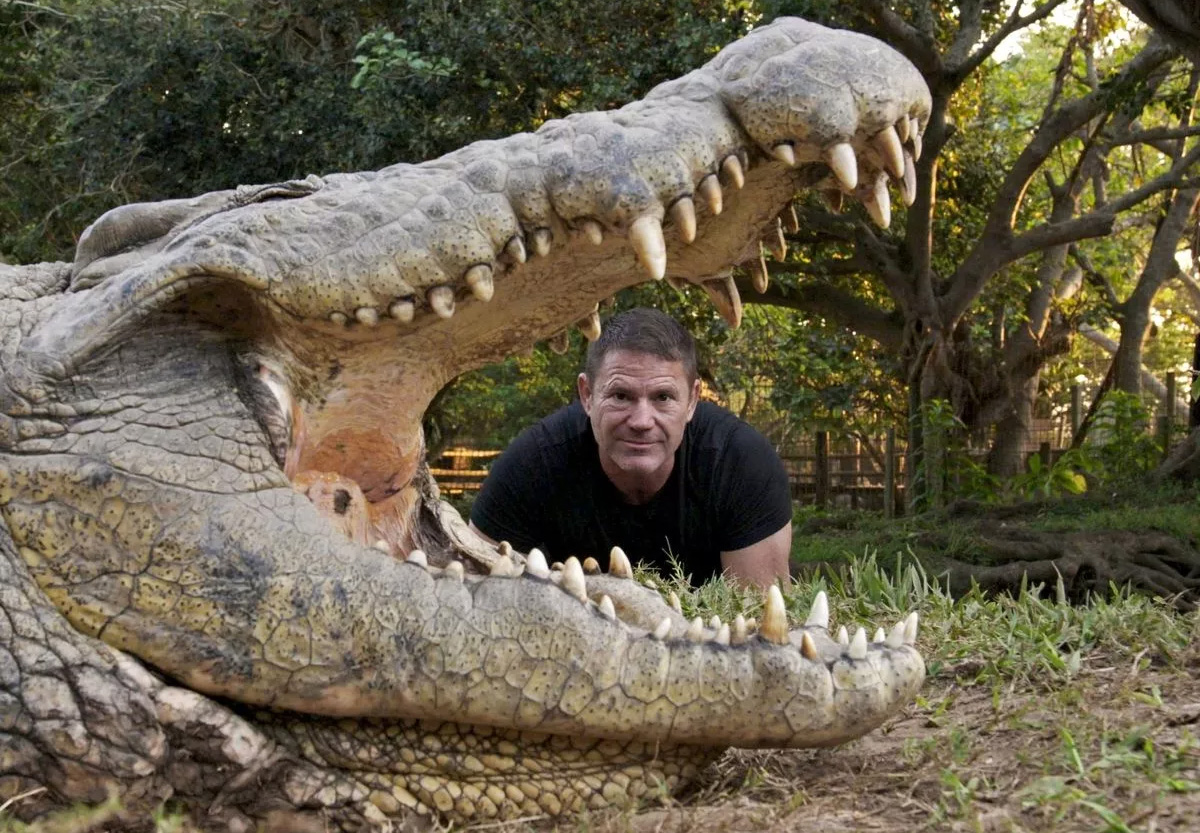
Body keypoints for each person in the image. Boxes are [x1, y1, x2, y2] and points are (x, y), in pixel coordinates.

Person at [469, 307, 793, 589]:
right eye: (621, 396)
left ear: (692, 400)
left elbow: (759, 621)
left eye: (663, 397)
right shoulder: (531, 466)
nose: (641, 421)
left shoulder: (741, 465)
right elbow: (476, 599)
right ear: (587, 395)